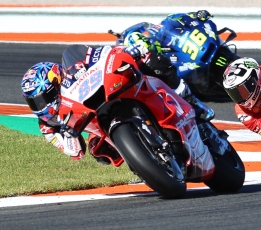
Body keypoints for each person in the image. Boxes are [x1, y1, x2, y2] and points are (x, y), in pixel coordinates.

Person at [20, 42, 212, 165]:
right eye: (33, 102)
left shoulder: (75, 68)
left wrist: (127, 50)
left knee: (151, 60)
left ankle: (191, 101)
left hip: (113, 91)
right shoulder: (47, 124)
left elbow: (100, 55)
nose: (40, 106)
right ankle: (145, 161)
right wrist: (69, 133)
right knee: (98, 151)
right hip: (100, 126)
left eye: (42, 99)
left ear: (57, 83)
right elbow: (75, 152)